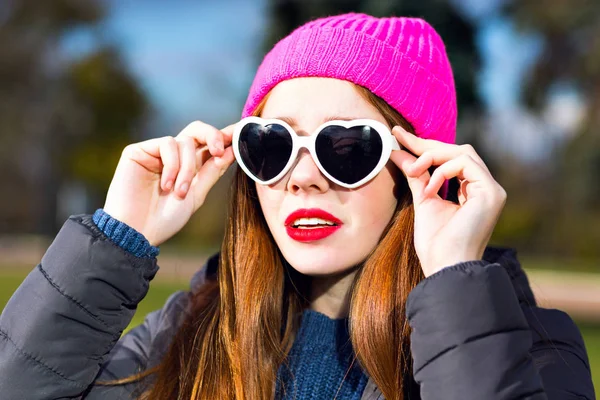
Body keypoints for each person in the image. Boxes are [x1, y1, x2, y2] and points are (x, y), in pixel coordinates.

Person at [0, 12, 595, 400]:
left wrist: (458, 281)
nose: (304, 178)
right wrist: (118, 239)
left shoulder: (526, 346)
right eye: (273, 145)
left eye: (347, 146)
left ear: (423, 168)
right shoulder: (189, 330)